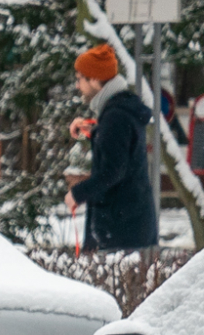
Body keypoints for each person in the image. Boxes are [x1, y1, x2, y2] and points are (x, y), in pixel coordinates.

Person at [65, 42, 158, 251]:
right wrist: (94, 131)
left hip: (120, 230)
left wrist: (77, 194)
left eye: (80, 79)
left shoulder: (115, 118)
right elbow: (121, 149)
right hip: (130, 226)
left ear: (96, 79)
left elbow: (112, 171)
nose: (77, 85)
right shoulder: (121, 110)